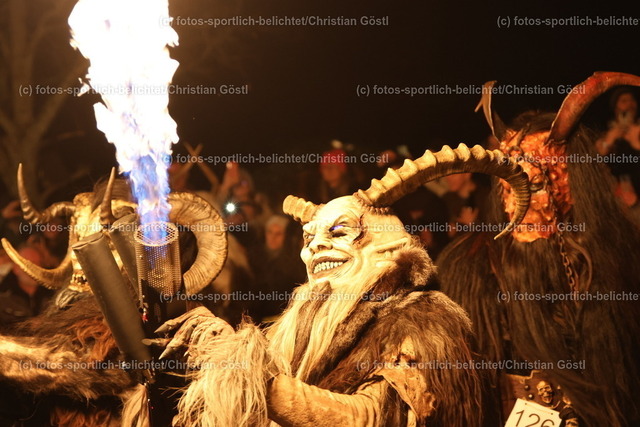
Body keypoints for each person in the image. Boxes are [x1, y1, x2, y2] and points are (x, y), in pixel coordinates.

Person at [155, 143, 532, 427]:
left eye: (339, 232)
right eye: (309, 237)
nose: (315, 246)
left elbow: (372, 416)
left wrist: (253, 375)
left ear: (384, 243)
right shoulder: (296, 328)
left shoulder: (421, 320)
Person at [439, 73, 640, 426]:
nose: (517, 206)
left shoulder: (618, 256)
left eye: (534, 184)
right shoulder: (468, 268)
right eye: (509, 185)